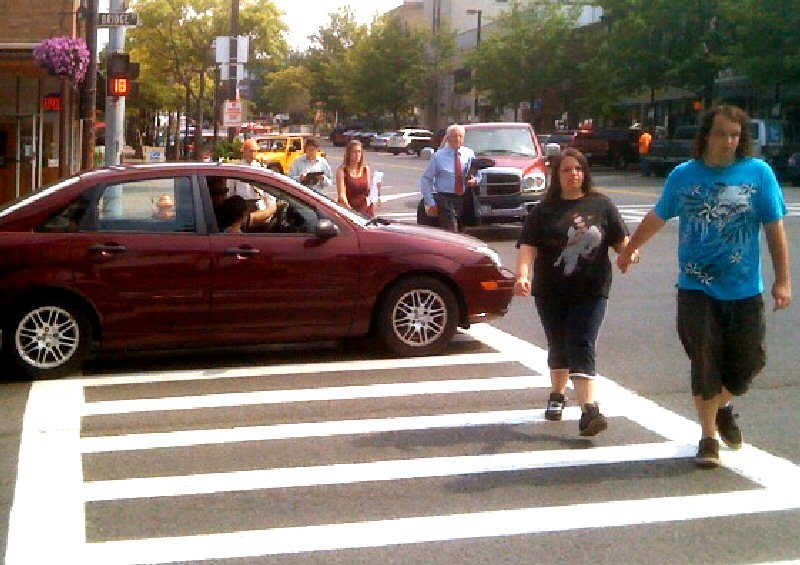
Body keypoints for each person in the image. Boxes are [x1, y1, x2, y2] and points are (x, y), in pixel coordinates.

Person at [617, 105, 792, 469]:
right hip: (695, 287)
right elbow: (658, 215)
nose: (729, 141)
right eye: (722, 134)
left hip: (744, 288)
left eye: (735, 135)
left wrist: (783, 280)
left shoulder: (758, 174)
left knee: (750, 362)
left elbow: (774, 228)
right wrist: (631, 248)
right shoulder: (685, 176)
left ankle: (722, 404)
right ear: (706, 136)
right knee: (704, 359)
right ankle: (708, 436)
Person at [515, 148, 635, 437]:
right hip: (551, 290)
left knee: (581, 342)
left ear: (585, 173)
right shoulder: (544, 210)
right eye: (567, 170)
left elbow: (621, 240)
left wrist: (629, 253)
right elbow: (528, 247)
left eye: (578, 168)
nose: (574, 174)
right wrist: (522, 276)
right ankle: (557, 395)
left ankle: (588, 410)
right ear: (557, 176)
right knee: (558, 343)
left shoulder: (601, 205)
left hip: (592, 289)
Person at [420, 124, 478, 232]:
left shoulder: (469, 154)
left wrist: (475, 180)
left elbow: (476, 173)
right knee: (451, 231)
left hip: (464, 198)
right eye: (455, 136)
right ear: (448, 138)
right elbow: (426, 179)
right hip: (445, 199)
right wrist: (431, 203)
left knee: (462, 233)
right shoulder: (438, 156)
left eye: (461, 136)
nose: (458, 139)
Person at [207, 176, 278, 232]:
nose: (224, 196)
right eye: (220, 192)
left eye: (226, 191)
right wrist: (275, 208)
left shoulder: (207, 210)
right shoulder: (218, 213)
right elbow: (253, 219)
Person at [336, 139, 380, 217]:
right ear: (348, 154)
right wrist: (351, 212)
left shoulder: (366, 169)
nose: (357, 154)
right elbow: (341, 196)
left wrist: (377, 189)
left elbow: (369, 191)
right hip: (349, 211)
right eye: (354, 152)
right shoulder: (342, 171)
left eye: (359, 152)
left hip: (366, 210)